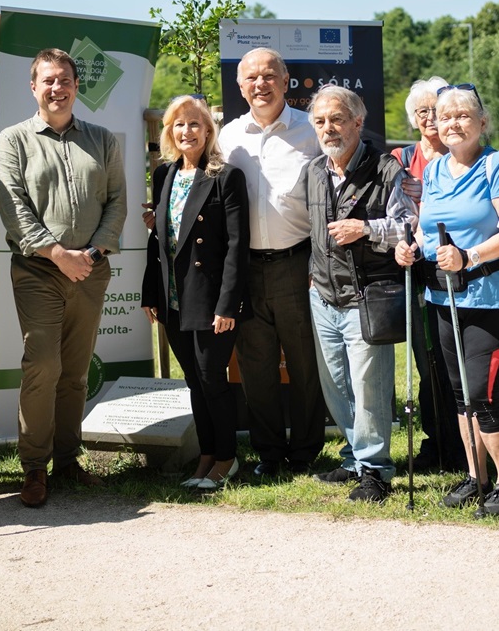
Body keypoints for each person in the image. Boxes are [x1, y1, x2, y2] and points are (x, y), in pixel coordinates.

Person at [0, 48, 126, 508]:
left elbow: (117, 202)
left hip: (90, 270)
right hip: (38, 271)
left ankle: (69, 461)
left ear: (75, 85)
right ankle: (34, 468)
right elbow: (12, 207)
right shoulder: (13, 140)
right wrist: (56, 253)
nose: (57, 88)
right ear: (33, 87)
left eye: (65, 79)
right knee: (43, 365)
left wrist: (90, 253)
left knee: (74, 372)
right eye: (48, 80)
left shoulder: (103, 139)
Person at [307, 85, 418, 502]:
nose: (328, 128)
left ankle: (375, 469)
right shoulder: (315, 171)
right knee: (336, 385)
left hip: (365, 295)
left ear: (357, 121)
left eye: (336, 119)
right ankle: (356, 455)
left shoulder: (387, 169)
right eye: (320, 121)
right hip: (323, 295)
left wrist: (367, 228)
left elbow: (409, 226)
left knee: (369, 385)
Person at [218, 48, 326, 475]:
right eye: (251, 78)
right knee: (256, 367)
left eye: (269, 76)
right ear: (241, 87)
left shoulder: (310, 131)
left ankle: (304, 453)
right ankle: (268, 453)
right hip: (243, 269)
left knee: (304, 366)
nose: (260, 84)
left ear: (285, 81)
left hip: (297, 263)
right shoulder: (227, 137)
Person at [395, 83, 499, 513]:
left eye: (462, 115)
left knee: (485, 395)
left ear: (482, 122)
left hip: (488, 299)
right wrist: (411, 247)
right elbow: (425, 226)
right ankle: (477, 478)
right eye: (445, 115)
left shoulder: (494, 165)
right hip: (444, 296)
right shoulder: (435, 170)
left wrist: (469, 256)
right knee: (459, 393)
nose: (452, 123)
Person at [141, 96, 250, 490]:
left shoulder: (226, 176)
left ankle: (226, 458)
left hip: (210, 298)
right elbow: (160, 242)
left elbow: (237, 246)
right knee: (193, 381)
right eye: (178, 125)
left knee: (211, 379)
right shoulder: (164, 174)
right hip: (172, 297)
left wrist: (228, 304)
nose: (186, 131)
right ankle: (206, 455)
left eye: (194, 124)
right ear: (169, 132)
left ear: (208, 130)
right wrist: (149, 293)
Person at [393, 77, 465, 472]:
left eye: (435, 110)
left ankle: (466, 444)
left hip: (462, 265)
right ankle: (437, 441)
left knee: (458, 359)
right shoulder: (400, 159)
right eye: (422, 112)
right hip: (418, 269)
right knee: (428, 360)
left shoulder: (465, 157)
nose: (429, 118)